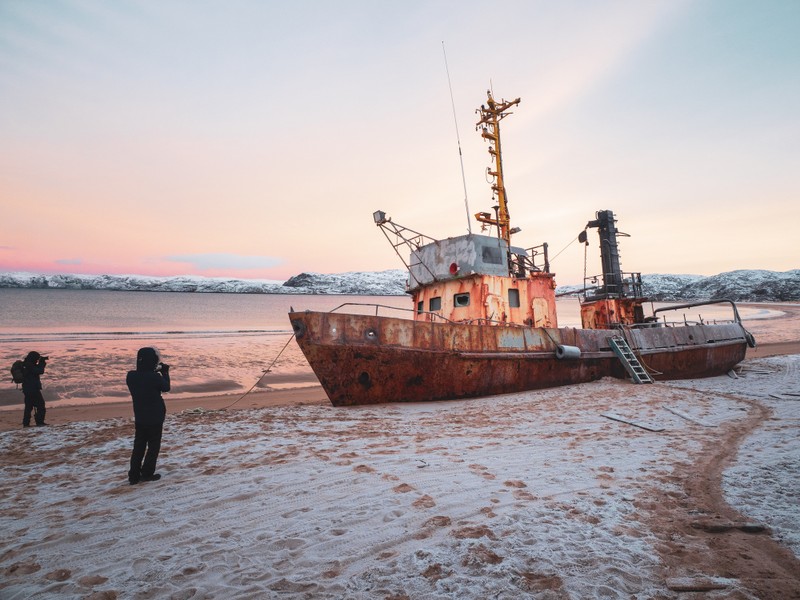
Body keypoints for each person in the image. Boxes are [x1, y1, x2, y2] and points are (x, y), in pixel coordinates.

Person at [127, 347, 170, 485]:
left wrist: (154, 372)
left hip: (140, 416)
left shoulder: (131, 376)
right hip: (155, 417)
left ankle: (133, 475)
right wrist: (165, 373)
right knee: (153, 446)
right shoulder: (154, 378)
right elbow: (166, 387)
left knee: (138, 446)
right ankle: (146, 473)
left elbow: (144, 380)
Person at [22, 351, 48, 427]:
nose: (37, 360)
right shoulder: (29, 365)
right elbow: (40, 371)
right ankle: (39, 422)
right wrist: (42, 363)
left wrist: (40, 363)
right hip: (32, 389)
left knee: (28, 407)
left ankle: (26, 423)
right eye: (37, 358)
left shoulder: (27, 364)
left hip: (27, 389)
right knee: (41, 405)